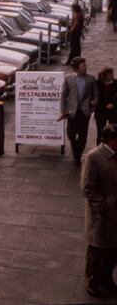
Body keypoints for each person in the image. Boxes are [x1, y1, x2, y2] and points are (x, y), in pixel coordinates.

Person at [81, 124, 117, 297]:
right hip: (101, 216)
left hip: (115, 213)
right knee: (97, 250)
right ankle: (92, 280)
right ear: (110, 140)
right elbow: (88, 187)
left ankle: (106, 278)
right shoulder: (94, 157)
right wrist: (102, 206)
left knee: (113, 250)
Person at [60, 56, 99, 165]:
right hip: (72, 111)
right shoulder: (68, 78)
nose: (85, 67)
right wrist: (63, 110)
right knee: (71, 133)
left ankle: (77, 157)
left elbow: (96, 94)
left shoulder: (91, 79)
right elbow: (63, 95)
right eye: (82, 66)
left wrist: (94, 104)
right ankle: (75, 147)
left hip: (84, 112)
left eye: (85, 65)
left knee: (82, 136)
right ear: (76, 68)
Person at [95, 67, 117, 144]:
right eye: (110, 74)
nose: (112, 75)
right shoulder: (98, 84)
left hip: (113, 112)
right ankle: (100, 148)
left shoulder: (115, 83)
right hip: (101, 112)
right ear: (105, 75)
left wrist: (113, 104)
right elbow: (96, 97)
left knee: (114, 131)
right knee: (100, 131)